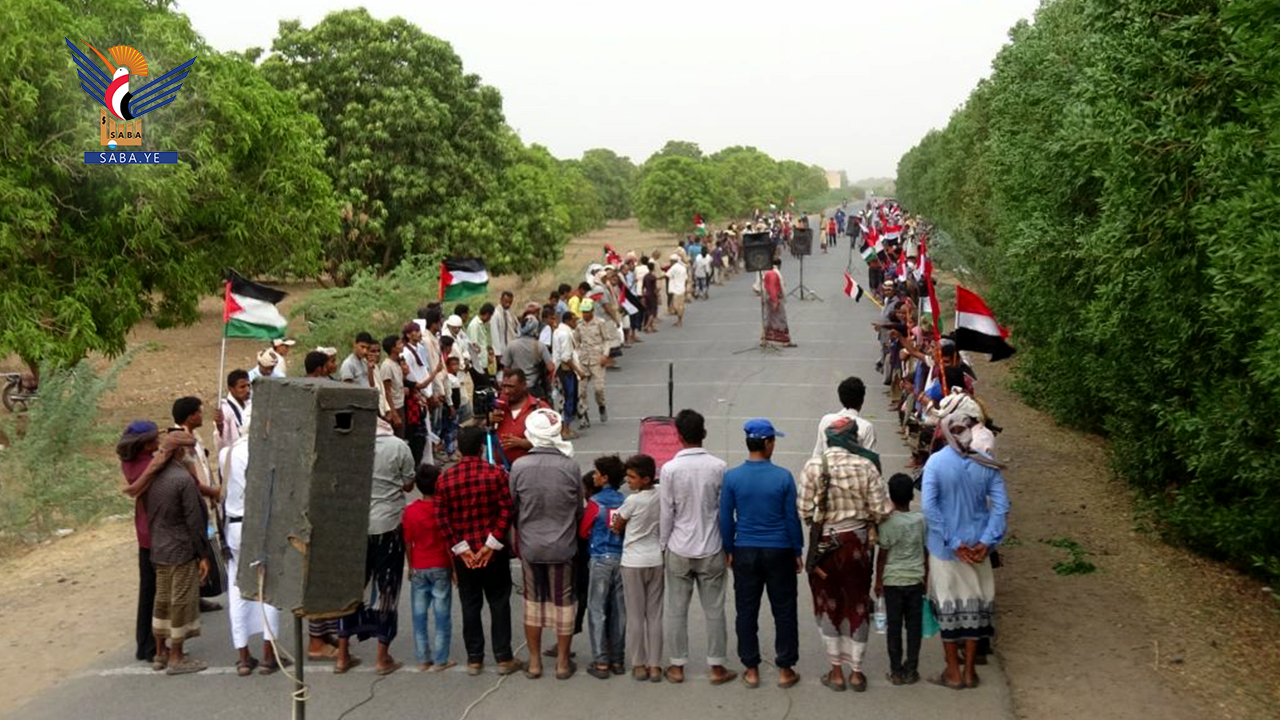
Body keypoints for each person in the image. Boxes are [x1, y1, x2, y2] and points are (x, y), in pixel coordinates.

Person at [800, 416, 893, 693]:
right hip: (858, 546)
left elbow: (804, 510)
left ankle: (836, 672)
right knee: (858, 603)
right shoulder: (866, 466)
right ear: (854, 440)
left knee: (828, 603)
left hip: (825, 547)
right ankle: (856, 673)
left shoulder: (814, 466)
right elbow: (881, 510)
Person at [922, 413, 1010, 690]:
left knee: (949, 610)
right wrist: (986, 541)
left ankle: (952, 672)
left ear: (946, 433)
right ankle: (970, 672)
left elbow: (929, 508)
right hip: (978, 552)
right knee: (975, 609)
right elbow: (1001, 506)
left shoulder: (935, 463)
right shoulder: (986, 464)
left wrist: (953, 541)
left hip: (947, 552)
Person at [719, 419, 803, 689]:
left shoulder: (732, 477)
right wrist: (797, 550)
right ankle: (785, 669)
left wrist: (729, 549)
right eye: (773, 441)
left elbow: (725, 518)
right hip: (779, 549)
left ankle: (751, 668)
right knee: (784, 609)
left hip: (745, 549)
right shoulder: (783, 476)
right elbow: (792, 518)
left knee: (746, 610)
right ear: (767, 443)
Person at [435, 427, 522, 677]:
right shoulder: (496, 473)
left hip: (464, 554)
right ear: (482, 448)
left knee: (470, 604)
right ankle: (503, 657)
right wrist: (490, 543)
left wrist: (462, 550)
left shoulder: (446, 478)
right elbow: (507, 509)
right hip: (492, 552)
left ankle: (475, 658)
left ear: (460, 449)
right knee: (499, 601)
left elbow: (442, 519)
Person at [658, 410, 736, 685]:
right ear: (703, 433)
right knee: (714, 609)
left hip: (679, 547)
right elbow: (725, 511)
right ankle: (717, 667)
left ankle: (677, 666)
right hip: (712, 546)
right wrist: (729, 545)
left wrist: (663, 545)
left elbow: (666, 512)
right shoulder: (719, 467)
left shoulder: (669, 469)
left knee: (677, 609)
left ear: (678, 436)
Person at [124, 429, 211, 675]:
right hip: (180, 549)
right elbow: (194, 522)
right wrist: (203, 554)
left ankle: (160, 653)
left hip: (158, 549)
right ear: (181, 452)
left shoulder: (151, 479)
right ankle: (176, 656)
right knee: (181, 601)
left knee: (161, 601)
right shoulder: (181, 479)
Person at [336, 416, 415, 676]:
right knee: (387, 588)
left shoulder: (352, 448)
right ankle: (382, 657)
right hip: (388, 525)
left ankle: (342, 654)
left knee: (352, 588)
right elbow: (408, 483)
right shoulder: (399, 446)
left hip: (356, 526)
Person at [509, 409, 582, 680]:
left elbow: (513, 506)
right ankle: (563, 663)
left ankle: (535, 662)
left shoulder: (519, 467)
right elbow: (578, 508)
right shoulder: (570, 466)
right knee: (563, 603)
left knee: (533, 603)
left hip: (530, 544)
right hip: (563, 545)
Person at [220, 408, 283, 676]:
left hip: (233, 528)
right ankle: (270, 655)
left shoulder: (227, 453)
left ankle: (244, 657)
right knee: (269, 589)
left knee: (238, 590)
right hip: (260, 526)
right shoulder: (266, 453)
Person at [614, 454, 663, 682]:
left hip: (633, 561)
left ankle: (638, 663)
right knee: (654, 616)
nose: (628, 480)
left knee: (635, 616)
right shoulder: (661, 494)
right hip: (656, 559)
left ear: (644, 479)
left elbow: (618, 525)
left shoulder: (632, 501)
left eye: (632, 477)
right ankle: (655, 665)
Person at [876, 473, 927, 686]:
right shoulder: (921, 520)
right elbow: (925, 551)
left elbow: (883, 555)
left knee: (894, 627)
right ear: (912, 496)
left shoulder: (887, 523)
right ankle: (911, 668)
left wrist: (878, 581)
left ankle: (896, 670)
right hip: (916, 579)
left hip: (893, 582)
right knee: (914, 627)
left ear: (891, 497)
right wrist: (927, 577)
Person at [404, 464, 455, 672]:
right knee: (442, 614)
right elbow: (448, 541)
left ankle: (423, 657)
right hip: (441, 563)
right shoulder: (443, 510)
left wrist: (410, 564)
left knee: (419, 613)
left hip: (419, 564)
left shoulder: (410, 511)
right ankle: (441, 658)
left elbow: (408, 541)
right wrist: (454, 569)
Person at [579, 455, 627, 679]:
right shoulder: (624, 500)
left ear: (605, 478)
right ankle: (617, 658)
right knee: (618, 610)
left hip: (599, 558)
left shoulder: (595, 503)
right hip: (620, 557)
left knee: (597, 609)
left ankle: (601, 661)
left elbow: (583, 531)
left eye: (597, 473)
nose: (594, 476)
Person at [117, 421, 160, 663]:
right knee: (157, 592)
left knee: (147, 591)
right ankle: (153, 644)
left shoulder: (129, 463)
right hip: (156, 534)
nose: (158, 443)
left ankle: (143, 643)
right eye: (154, 439)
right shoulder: (148, 466)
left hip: (143, 533)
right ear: (144, 445)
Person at [487, 368, 548, 466]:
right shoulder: (497, 406)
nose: (506, 391)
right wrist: (488, 421)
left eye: (511, 386)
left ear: (524, 385)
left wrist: (522, 443)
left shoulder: (539, 407)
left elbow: (550, 442)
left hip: (530, 470)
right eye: (504, 386)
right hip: (500, 472)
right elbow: (483, 437)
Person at [813, 376, 877, 455]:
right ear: (862, 400)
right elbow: (871, 461)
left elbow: (818, 452)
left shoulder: (826, 420)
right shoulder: (867, 427)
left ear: (840, 398)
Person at [574, 300, 611, 426]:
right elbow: (576, 342)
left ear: (592, 311)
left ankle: (602, 405)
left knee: (598, 389)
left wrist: (605, 355)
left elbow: (606, 340)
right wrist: (578, 355)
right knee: (581, 391)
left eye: (587, 312)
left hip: (597, 360)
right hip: (584, 360)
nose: (585, 315)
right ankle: (584, 413)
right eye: (583, 312)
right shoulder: (579, 325)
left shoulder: (600, 323)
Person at [502, 317, 555, 401]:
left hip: (516, 388)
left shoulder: (511, 345)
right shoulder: (540, 346)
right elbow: (550, 367)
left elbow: (506, 369)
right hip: (534, 388)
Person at [553, 311, 585, 439]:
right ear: (567, 321)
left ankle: (563, 428)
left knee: (563, 399)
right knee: (569, 399)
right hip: (566, 370)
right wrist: (578, 371)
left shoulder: (557, 331)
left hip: (560, 370)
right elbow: (566, 357)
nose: (575, 323)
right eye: (573, 320)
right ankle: (565, 429)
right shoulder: (565, 334)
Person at [214, 369, 252, 453]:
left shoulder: (250, 404)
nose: (247, 390)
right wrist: (220, 427)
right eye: (242, 387)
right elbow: (222, 442)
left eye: (248, 385)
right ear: (231, 389)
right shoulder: (225, 410)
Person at [378, 335, 407, 438]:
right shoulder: (387, 366)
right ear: (392, 348)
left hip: (400, 403)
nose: (402, 345)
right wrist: (394, 413)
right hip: (394, 406)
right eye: (399, 343)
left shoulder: (397, 363)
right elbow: (387, 390)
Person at [762, 259, 796, 347]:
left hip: (768, 299)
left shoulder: (767, 272)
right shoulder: (774, 273)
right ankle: (785, 341)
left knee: (768, 318)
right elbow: (772, 288)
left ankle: (764, 339)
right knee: (781, 319)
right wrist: (775, 301)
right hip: (775, 298)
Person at [491, 291, 518, 365]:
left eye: (510, 302)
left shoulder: (510, 313)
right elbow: (494, 334)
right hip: (501, 351)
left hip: (510, 348)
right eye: (506, 302)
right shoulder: (495, 314)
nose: (508, 304)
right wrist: (498, 353)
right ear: (501, 300)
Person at [469, 304, 496, 377]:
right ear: (487, 314)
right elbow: (473, 344)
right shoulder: (474, 325)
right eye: (490, 316)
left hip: (483, 362)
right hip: (478, 363)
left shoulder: (483, 324)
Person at [666, 254, 688, 326]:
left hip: (676, 290)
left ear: (673, 261)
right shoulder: (683, 267)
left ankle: (679, 321)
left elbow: (667, 275)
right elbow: (686, 279)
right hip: (682, 289)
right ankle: (680, 320)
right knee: (680, 306)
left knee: (676, 307)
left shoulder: (674, 268)